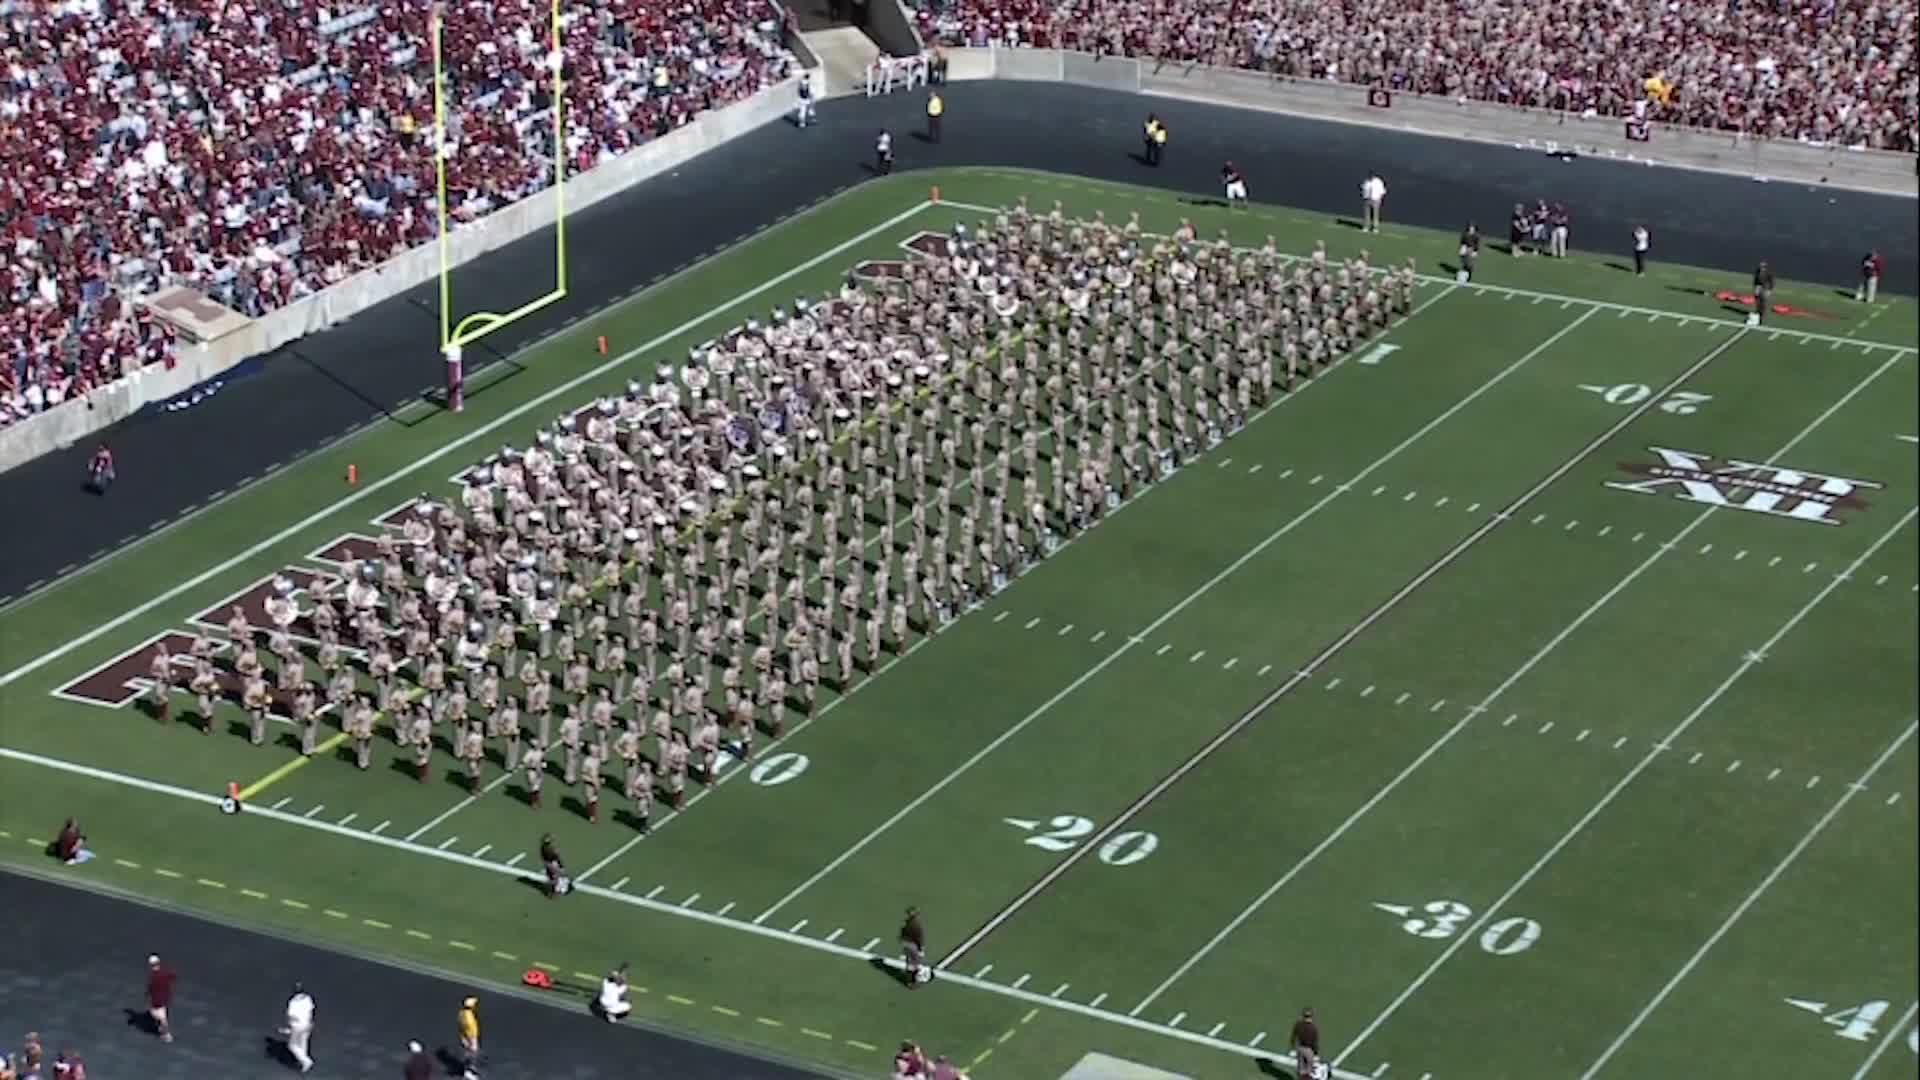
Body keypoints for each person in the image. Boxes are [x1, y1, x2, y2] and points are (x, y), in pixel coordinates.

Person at [283, 983, 316, 1073]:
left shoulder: (293, 1002)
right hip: (307, 1023)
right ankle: (303, 1063)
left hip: (298, 1026)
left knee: (292, 1045)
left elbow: (291, 1016)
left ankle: (306, 1061)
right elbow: (311, 1010)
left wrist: (289, 1028)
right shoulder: (307, 998)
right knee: (303, 1043)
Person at [145, 954, 176, 1043]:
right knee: (160, 1015)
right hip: (165, 998)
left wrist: (148, 993)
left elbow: (151, 988)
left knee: (159, 1015)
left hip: (158, 1000)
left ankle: (166, 1035)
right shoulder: (164, 972)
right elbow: (173, 976)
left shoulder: (154, 976)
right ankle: (163, 1030)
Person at [899, 906, 930, 987]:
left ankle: (909, 980)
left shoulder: (906, 922)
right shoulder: (916, 925)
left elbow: (902, 933)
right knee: (915, 964)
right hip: (913, 945)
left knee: (909, 962)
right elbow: (919, 938)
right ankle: (913, 981)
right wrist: (921, 949)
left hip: (906, 944)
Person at [456, 997, 481, 1080]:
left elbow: (460, 1026)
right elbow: (472, 1030)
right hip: (471, 1038)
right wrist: (473, 1042)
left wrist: (462, 1038)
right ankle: (469, 1072)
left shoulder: (461, 1013)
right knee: (472, 1055)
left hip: (465, 1037)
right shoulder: (469, 1017)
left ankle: (468, 1070)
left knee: (468, 1054)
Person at [1750, 259, 1776, 326]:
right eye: (1761, 266)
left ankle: (1761, 314)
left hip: (1765, 288)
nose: (1761, 268)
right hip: (1758, 287)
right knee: (1757, 301)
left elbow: (1772, 281)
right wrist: (1755, 287)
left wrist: (1769, 290)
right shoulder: (1758, 271)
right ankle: (1757, 312)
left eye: (1763, 266)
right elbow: (1755, 279)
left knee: (1763, 302)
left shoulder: (1768, 273)